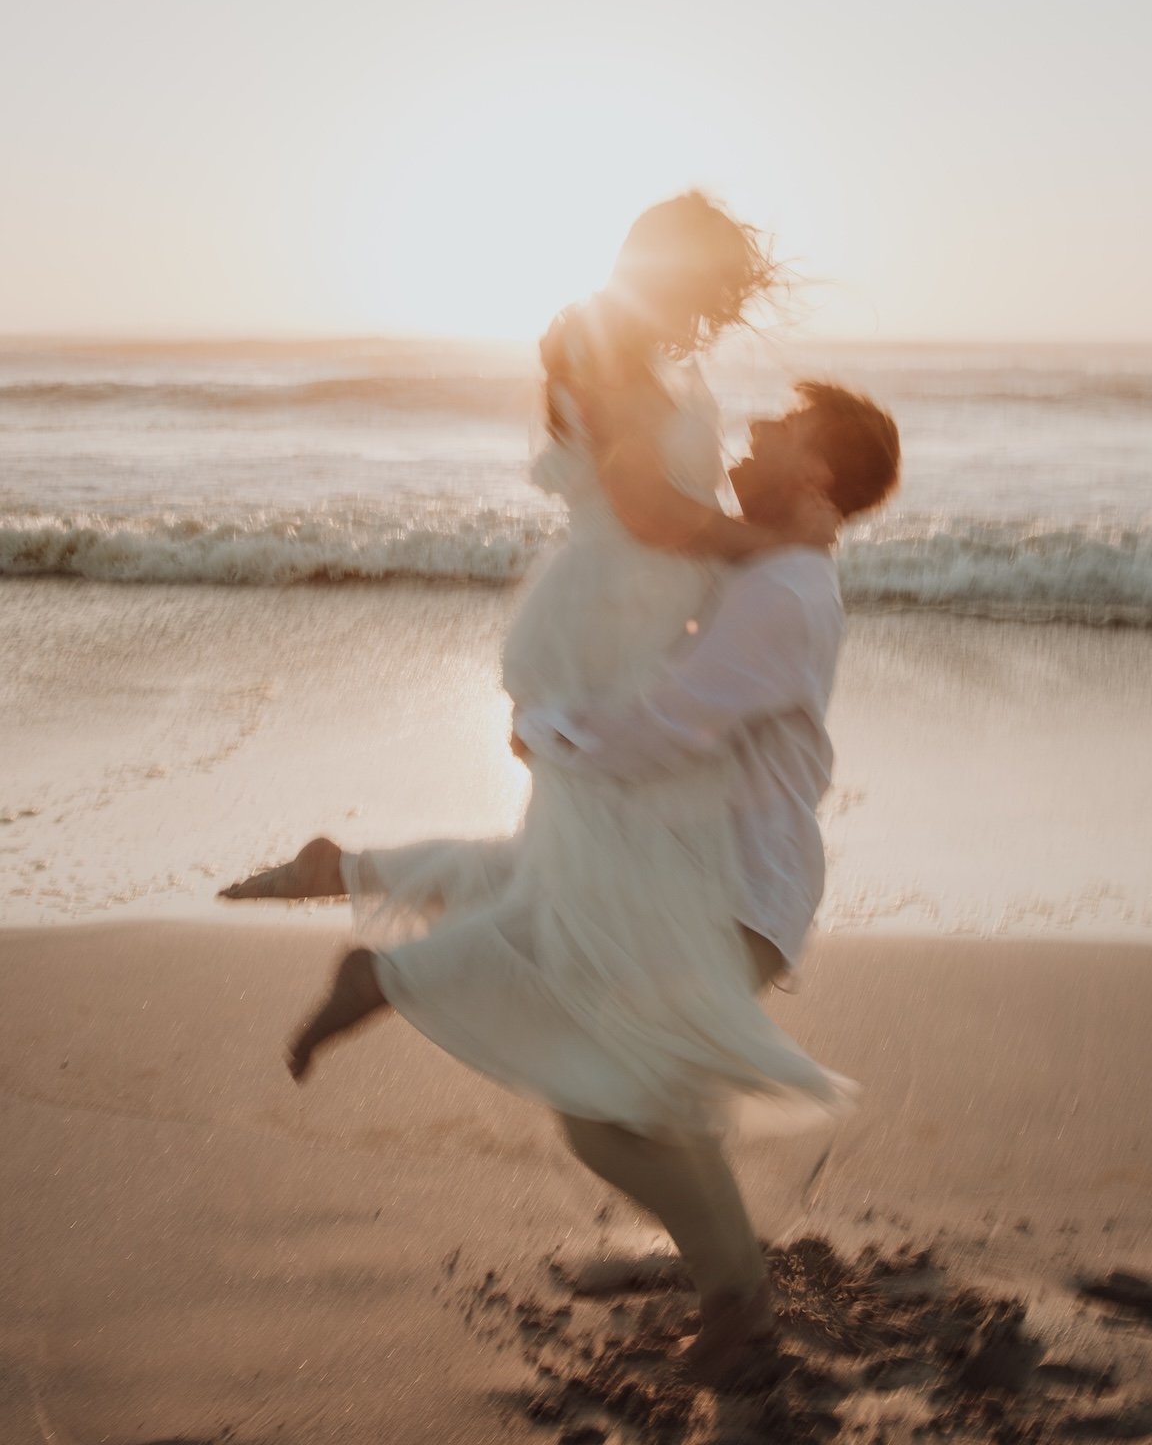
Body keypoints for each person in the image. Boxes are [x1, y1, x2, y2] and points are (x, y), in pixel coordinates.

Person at [221, 194, 897, 1379]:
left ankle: (375, 932)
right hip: (661, 760)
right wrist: (586, 707)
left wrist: (570, 726)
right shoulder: (695, 463)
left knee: (577, 964)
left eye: (776, 435)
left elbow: (678, 703)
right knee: (583, 975)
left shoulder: (778, 581)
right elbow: (645, 531)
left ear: (824, 471)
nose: (746, 435)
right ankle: (735, 1307)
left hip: (722, 854)